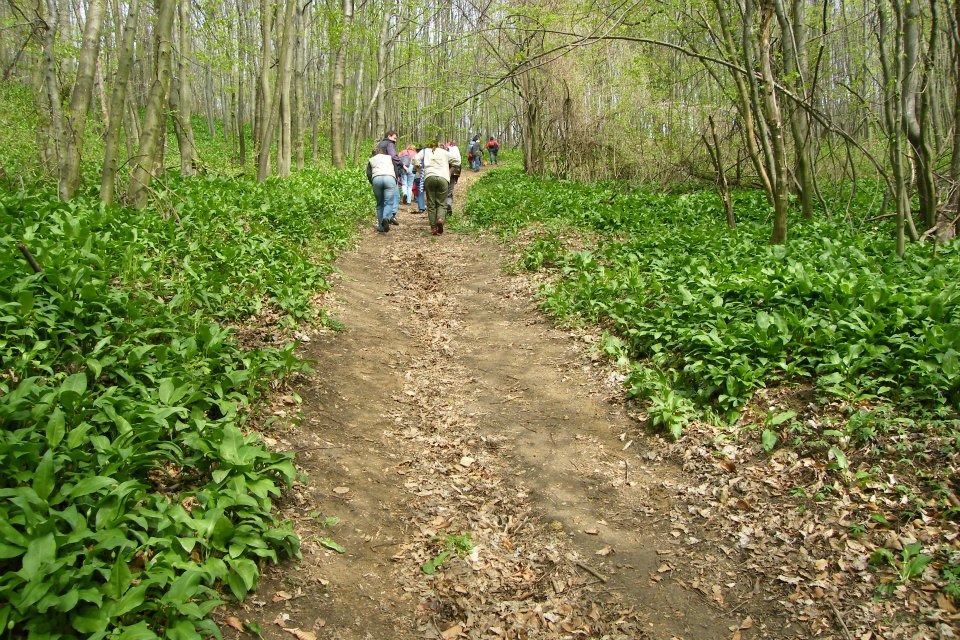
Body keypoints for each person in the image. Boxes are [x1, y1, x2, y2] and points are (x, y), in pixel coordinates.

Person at [414, 138, 454, 235]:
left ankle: (433, 228)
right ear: (437, 144)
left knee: (431, 203)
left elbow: (415, 159)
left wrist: (419, 169)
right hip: (443, 178)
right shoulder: (443, 152)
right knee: (442, 203)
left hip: (429, 177)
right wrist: (449, 172)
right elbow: (457, 160)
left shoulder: (424, 151)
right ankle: (440, 219)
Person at [366, 145, 399, 233]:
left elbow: (368, 173)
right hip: (390, 178)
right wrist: (395, 181)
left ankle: (381, 227)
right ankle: (386, 218)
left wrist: (373, 182)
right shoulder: (389, 158)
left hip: (376, 179)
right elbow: (396, 170)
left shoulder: (371, 160)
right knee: (389, 202)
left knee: (379, 204)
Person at [375, 130, 403, 222]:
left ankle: (383, 222)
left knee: (381, 201)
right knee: (395, 196)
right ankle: (390, 216)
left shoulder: (379, 145)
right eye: (394, 138)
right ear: (389, 136)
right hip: (389, 173)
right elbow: (393, 156)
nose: (395, 140)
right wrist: (401, 164)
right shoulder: (390, 144)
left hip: (378, 174)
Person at [444, 140, 462, 219]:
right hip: (455, 172)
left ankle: (443, 206)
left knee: (443, 190)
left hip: (445, 172)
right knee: (450, 190)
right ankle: (449, 203)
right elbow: (459, 162)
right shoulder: (456, 150)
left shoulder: (445, 150)